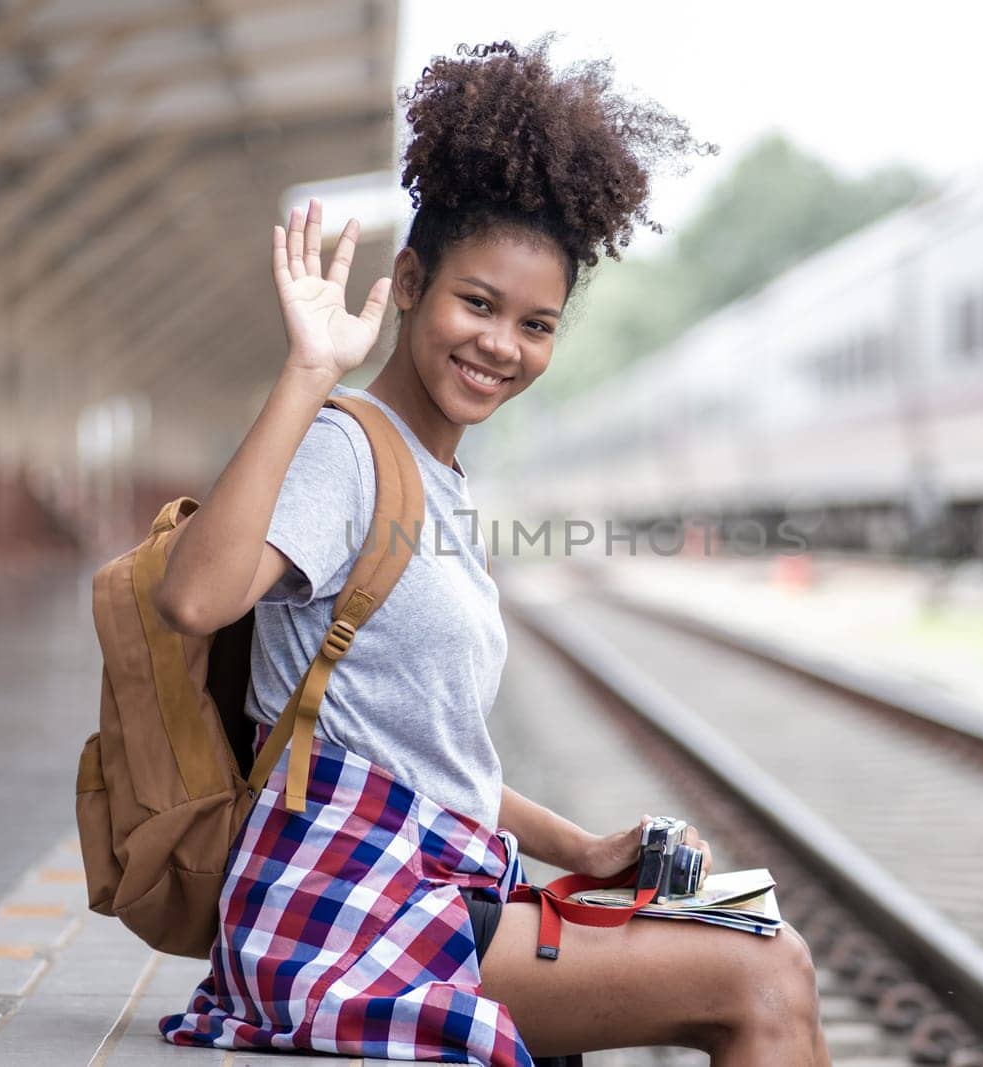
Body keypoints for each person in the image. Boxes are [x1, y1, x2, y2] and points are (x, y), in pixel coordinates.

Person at [152, 39, 826, 1066]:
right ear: (411, 280)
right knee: (765, 971)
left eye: (537, 323)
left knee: (766, 951)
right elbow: (194, 598)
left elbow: (416, 749)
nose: (502, 344)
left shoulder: (446, 484)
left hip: (413, 884)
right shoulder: (346, 449)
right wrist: (305, 371)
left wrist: (584, 849)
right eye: (478, 303)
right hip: (343, 912)